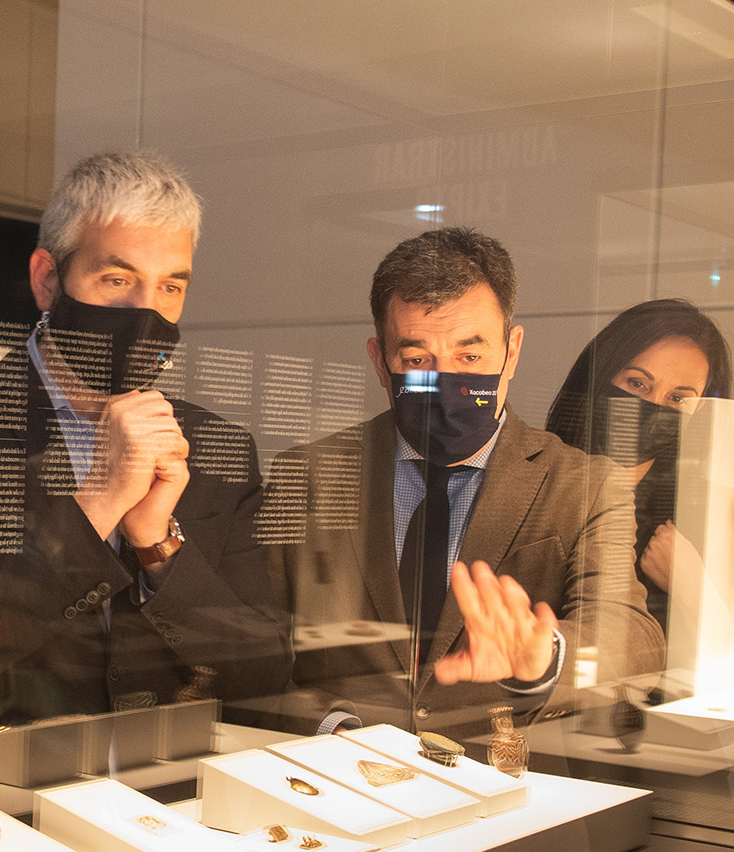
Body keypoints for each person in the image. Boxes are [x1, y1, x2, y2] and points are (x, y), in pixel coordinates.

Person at [0, 150, 290, 739]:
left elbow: (263, 674)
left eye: (170, 286)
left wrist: (157, 545)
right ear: (48, 279)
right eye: (117, 280)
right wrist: (98, 501)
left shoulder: (217, 446)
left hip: (164, 778)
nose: (145, 310)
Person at [257, 227, 665, 736]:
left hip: (504, 773)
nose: (445, 381)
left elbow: (634, 637)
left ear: (511, 352)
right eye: (416, 360)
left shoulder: (583, 486)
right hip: (339, 771)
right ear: (380, 361)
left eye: (470, 357)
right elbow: (259, 650)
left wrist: (545, 654)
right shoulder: (308, 474)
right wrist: (330, 728)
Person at [543, 297, 734, 631]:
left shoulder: (701, 518)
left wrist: (694, 589)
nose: (652, 406)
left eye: (677, 398)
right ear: (602, 374)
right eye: (637, 383)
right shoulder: (538, 483)